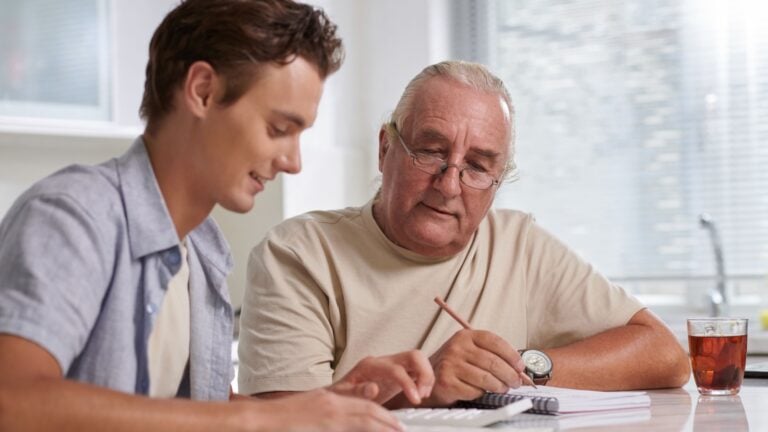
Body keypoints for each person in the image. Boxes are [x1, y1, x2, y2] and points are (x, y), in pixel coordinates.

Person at [0, 1, 433, 430]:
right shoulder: (74, 217)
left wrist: (324, 405)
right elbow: (12, 399)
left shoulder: (204, 250)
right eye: (279, 130)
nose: (293, 161)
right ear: (203, 90)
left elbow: (189, 411)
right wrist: (260, 419)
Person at [237, 60, 691, 407]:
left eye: (476, 167)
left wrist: (521, 367)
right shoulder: (297, 255)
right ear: (385, 149)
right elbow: (281, 422)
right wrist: (425, 389)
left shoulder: (518, 245)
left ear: (497, 183)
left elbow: (666, 356)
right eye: (431, 152)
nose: (449, 184)